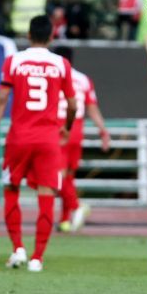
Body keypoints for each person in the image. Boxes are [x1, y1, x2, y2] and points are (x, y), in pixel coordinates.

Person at [0, 15, 77, 273]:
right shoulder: (61, 64)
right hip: (48, 139)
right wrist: (67, 127)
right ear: (51, 36)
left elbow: (1, 99)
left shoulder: (14, 61)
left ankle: (18, 249)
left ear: (28, 35)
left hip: (19, 137)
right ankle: (37, 257)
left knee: (11, 189)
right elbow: (72, 105)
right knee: (46, 195)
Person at [51, 46, 111, 233]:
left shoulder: (53, 75)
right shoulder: (83, 79)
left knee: (55, 177)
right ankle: (64, 221)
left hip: (59, 128)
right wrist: (103, 131)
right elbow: (91, 107)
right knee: (67, 176)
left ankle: (77, 206)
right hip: (76, 130)